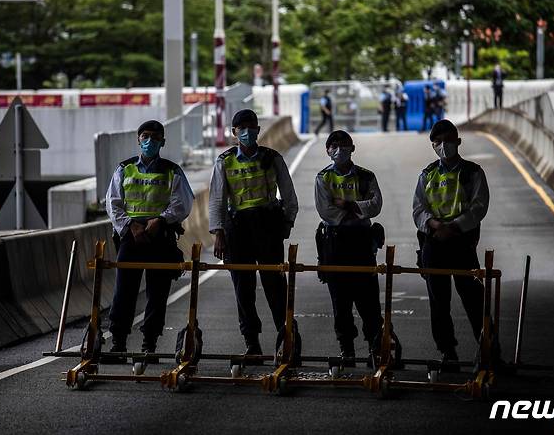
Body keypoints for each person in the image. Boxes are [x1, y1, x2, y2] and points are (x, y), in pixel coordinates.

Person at [209, 108, 299, 357]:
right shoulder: (224, 161)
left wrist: (286, 223)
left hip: (267, 226)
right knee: (243, 288)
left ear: (258, 130)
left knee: (275, 285)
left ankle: (287, 337)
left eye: (251, 127)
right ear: (234, 132)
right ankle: (252, 342)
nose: (247, 132)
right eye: (242, 128)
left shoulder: (272, 158)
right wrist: (218, 233)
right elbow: (217, 199)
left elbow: (289, 195)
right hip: (237, 230)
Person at [104, 119, 194, 363]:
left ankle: (149, 346)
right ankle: (118, 344)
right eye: (145, 136)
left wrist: (162, 220)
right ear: (138, 139)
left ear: (162, 142)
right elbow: (113, 203)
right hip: (130, 239)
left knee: (157, 294)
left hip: (160, 239)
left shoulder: (173, 171)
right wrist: (129, 225)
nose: (149, 141)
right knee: (124, 292)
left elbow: (183, 203)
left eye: (155, 138)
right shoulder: (124, 169)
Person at [412, 119, 489, 370]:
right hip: (434, 243)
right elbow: (418, 210)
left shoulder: (472, 173)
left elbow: (479, 207)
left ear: (458, 142)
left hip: (462, 243)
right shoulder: (427, 174)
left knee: (474, 298)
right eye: (438, 142)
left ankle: (489, 349)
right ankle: (447, 351)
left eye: (448, 141)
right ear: (433, 145)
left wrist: (453, 227)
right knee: (438, 301)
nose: (443, 146)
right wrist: (435, 226)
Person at [315, 130, 384, 365]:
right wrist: (357, 211)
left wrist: (346, 204)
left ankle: (375, 346)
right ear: (328, 150)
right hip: (335, 243)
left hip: (362, 243)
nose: (339, 149)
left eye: (344, 145)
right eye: (334, 145)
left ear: (353, 148)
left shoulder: (366, 176)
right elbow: (326, 211)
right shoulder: (323, 178)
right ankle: (347, 349)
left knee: (368, 299)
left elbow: (375, 206)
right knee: (340, 301)